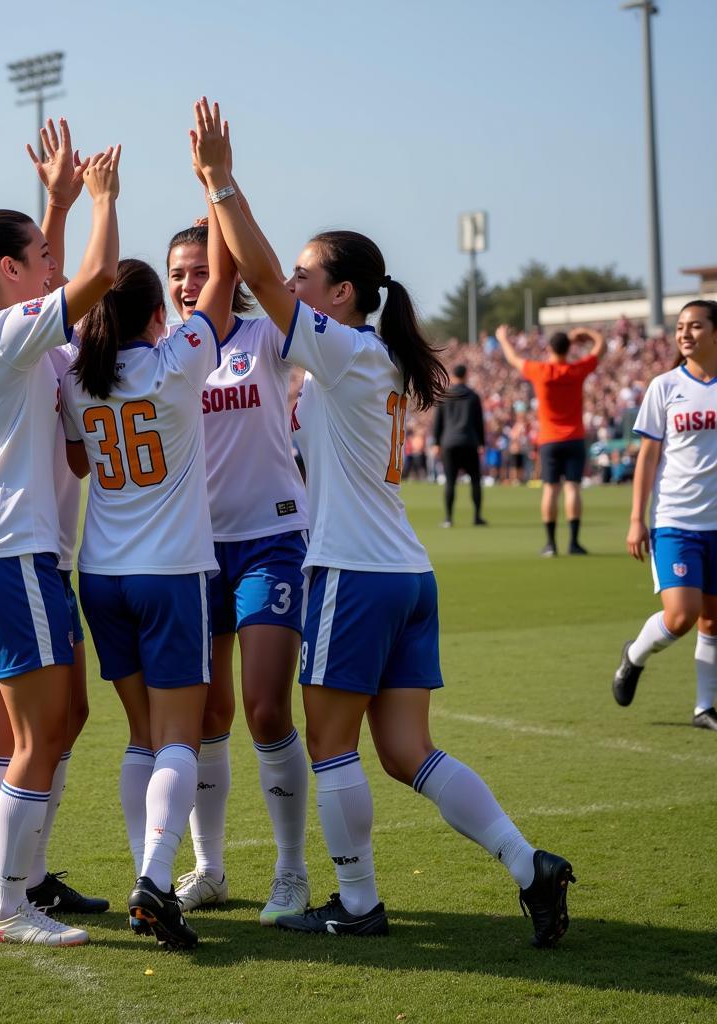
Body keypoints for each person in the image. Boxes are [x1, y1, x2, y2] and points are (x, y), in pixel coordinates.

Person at [195, 97, 574, 948]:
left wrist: (222, 184)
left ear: (343, 294)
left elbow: (254, 279)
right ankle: (528, 865)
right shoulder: (373, 357)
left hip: (353, 572)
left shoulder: (345, 347)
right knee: (407, 752)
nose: (290, 285)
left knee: (330, 744)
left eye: (305, 275)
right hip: (405, 572)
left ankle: (359, 904)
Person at [0, 119, 120, 948]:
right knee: (42, 733)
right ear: (9, 270)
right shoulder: (5, 338)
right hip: (9, 556)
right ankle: (10, 905)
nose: (53, 262)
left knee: (28, 726)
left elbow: (50, 295)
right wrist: (105, 198)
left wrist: (58, 204)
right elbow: (101, 276)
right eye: (39, 251)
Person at [60, 194, 235, 949]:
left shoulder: (75, 376)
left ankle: (148, 876)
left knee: (141, 737)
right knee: (177, 740)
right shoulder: (175, 364)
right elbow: (224, 287)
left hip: (101, 573)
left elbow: (76, 457)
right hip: (171, 573)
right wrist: (215, 192)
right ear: (159, 308)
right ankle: (154, 882)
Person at [164, 214, 311, 924]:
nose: (189, 284)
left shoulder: (264, 337)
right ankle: (211, 870)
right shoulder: (166, 352)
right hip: (194, 551)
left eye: (199, 270)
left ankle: (291, 872)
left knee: (264, 708)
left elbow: (255, 272)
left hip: (271, 539)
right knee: (207, 715)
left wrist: (217, 190)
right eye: (178, 274)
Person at [612, 300, 717, 731]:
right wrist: (637, 517)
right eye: (679, 327)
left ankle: (704, 707)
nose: (685, 334)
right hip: (675, 520)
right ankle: (634, 655)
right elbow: (648, 458)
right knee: (682, 615)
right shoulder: (665, 386)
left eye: (695, 326)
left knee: (713, 618)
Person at [495, 324, 605, 556]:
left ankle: (550, 544)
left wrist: (503, 338)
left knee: (550, 490)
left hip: (549, 440)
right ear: (569, 348)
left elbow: (514, 358)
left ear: (548, 348)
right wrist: (587, 334)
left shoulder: (540, 370)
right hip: (574, 437)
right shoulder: (576, 370)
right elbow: (601, 348)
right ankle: (574, 543)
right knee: (573, 488)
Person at [432, 364, 487, 528]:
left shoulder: (445, 395)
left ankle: (448, 518)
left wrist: (436, 442)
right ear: (466, 375)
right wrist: (482, 443)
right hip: (469, 442)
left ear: (453, 375)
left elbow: (438, 422)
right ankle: (477, 517)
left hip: (449, 443)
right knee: (475, 481)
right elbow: (479, 422)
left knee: (450, 482)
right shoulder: (473, 396)